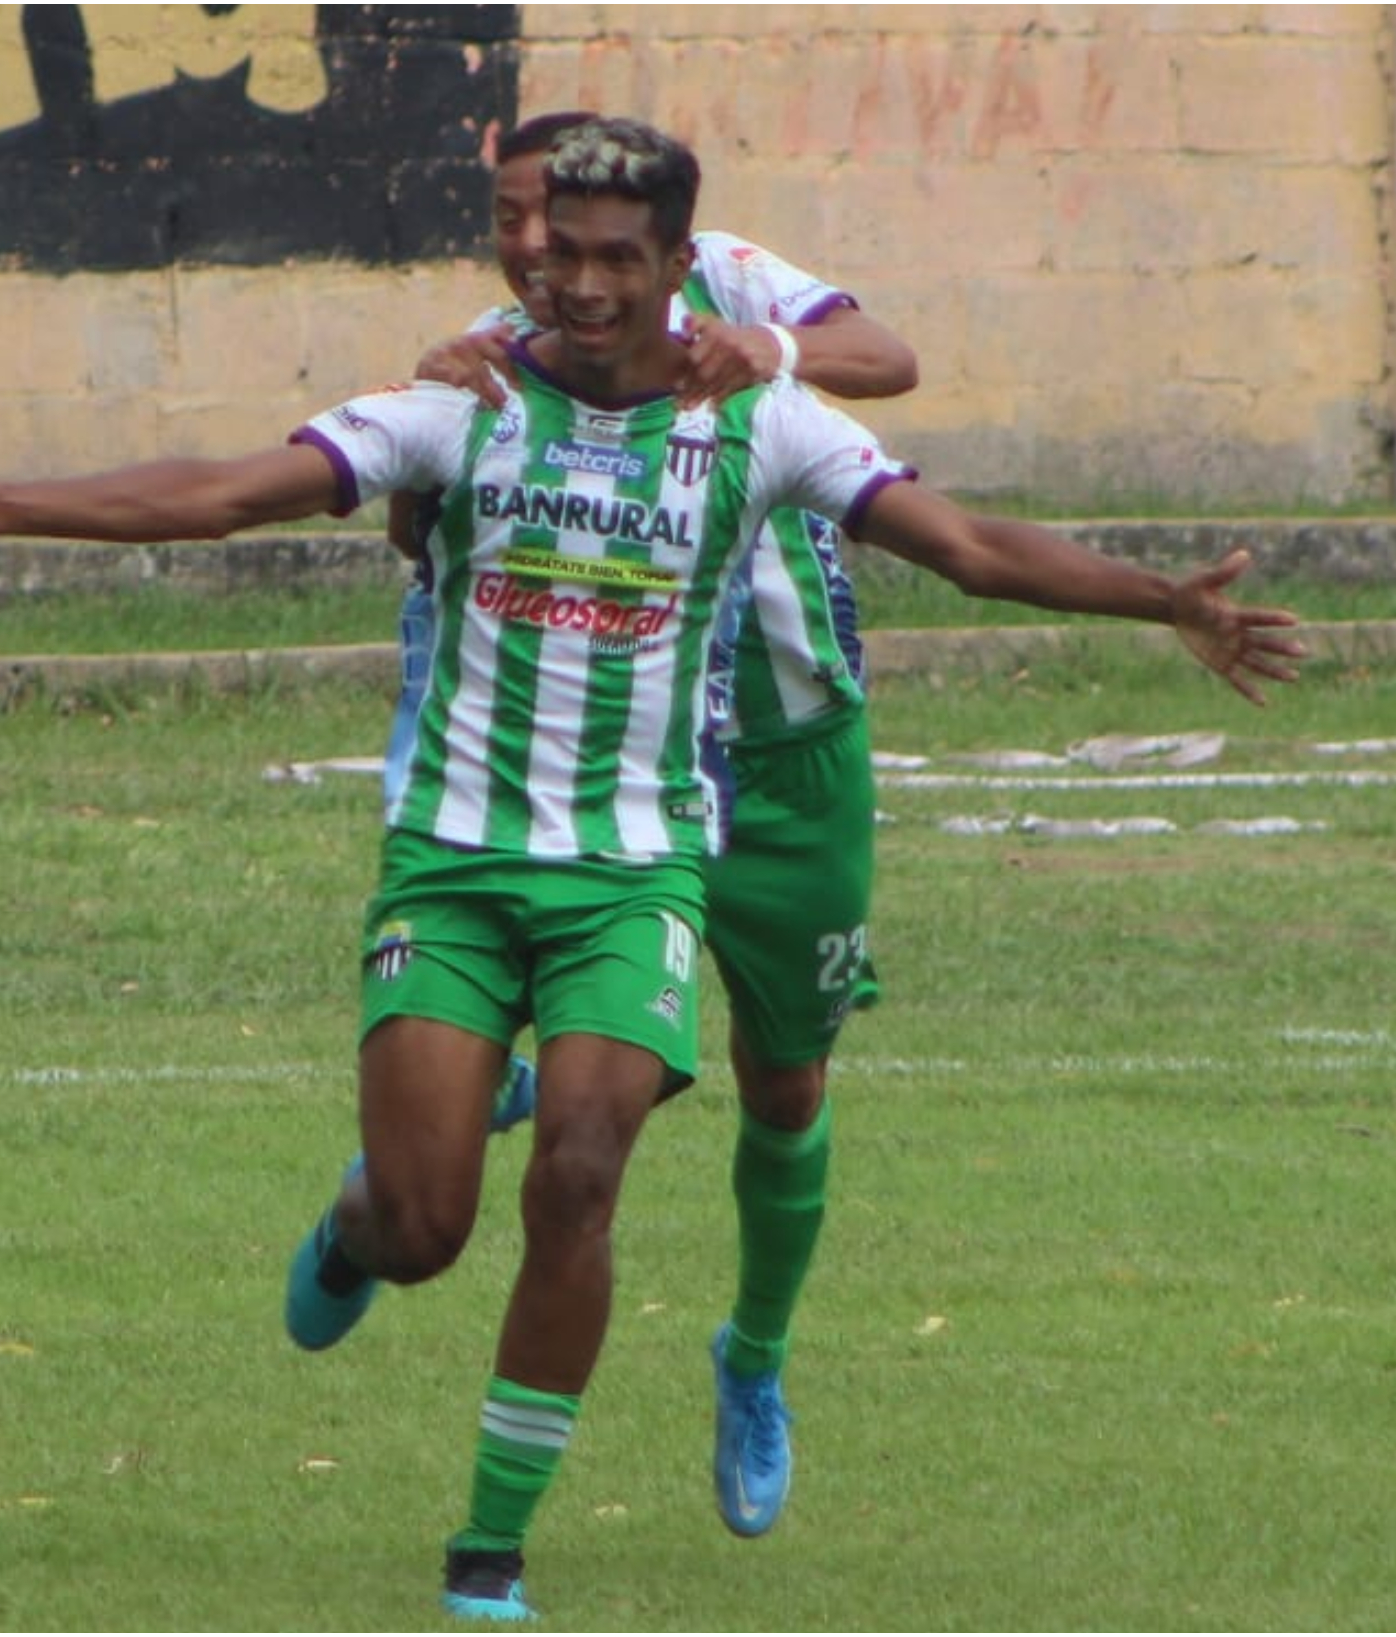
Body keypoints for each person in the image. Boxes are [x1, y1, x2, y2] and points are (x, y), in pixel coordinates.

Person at [0, 116, 1302, 1623]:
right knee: (426, 1228)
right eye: (563, 254)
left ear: (684, 266)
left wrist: (1161, 600)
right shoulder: (465, 397)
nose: (586, 285)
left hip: (635, 874)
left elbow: (968, 546)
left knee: (583, 1169)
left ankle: (489, 1550)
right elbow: (229, 491)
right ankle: (359, 1227)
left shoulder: (759, 418)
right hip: (456, 865)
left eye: (622, 259)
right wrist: (11, 504)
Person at [379, 108, 928, 1543]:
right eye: (512, 230)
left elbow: (890, 359)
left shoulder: (728, 279)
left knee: (788, 1083)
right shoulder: (508, 351)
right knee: (590, 1085)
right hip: (609, 772)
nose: (535, 256)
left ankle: (754, 1355)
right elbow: (411, 517)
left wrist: (772, 352)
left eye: (550, 224)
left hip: (788, 748)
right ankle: (461, 1111)